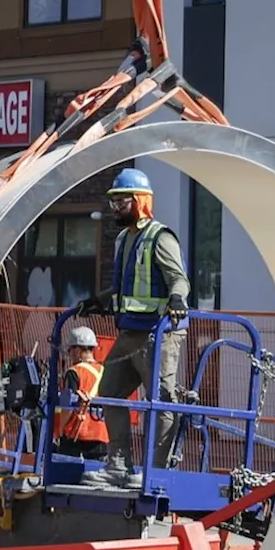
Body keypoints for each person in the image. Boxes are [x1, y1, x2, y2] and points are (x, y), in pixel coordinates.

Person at [75, 167, 190, 488]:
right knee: (109, 392)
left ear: (140, 201)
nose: (115, 207)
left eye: (122, 201)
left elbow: (178, 279)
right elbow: (125, 289)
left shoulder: (160, 236)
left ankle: (157, 473)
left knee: (161, 400)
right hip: (129, 333)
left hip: (158, 334)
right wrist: (97, 300)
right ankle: (119, 465)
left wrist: (178, 298)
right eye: (113, 201)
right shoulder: (125, 239)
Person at [53, 326, 110, 461]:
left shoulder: (74, 372)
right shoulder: (104, 371)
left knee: (67, 475)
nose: (69, 354)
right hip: (101, 433)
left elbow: (68, 406)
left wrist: (59, 429)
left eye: (70, 350)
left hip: (76, 434)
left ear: (78, 350)